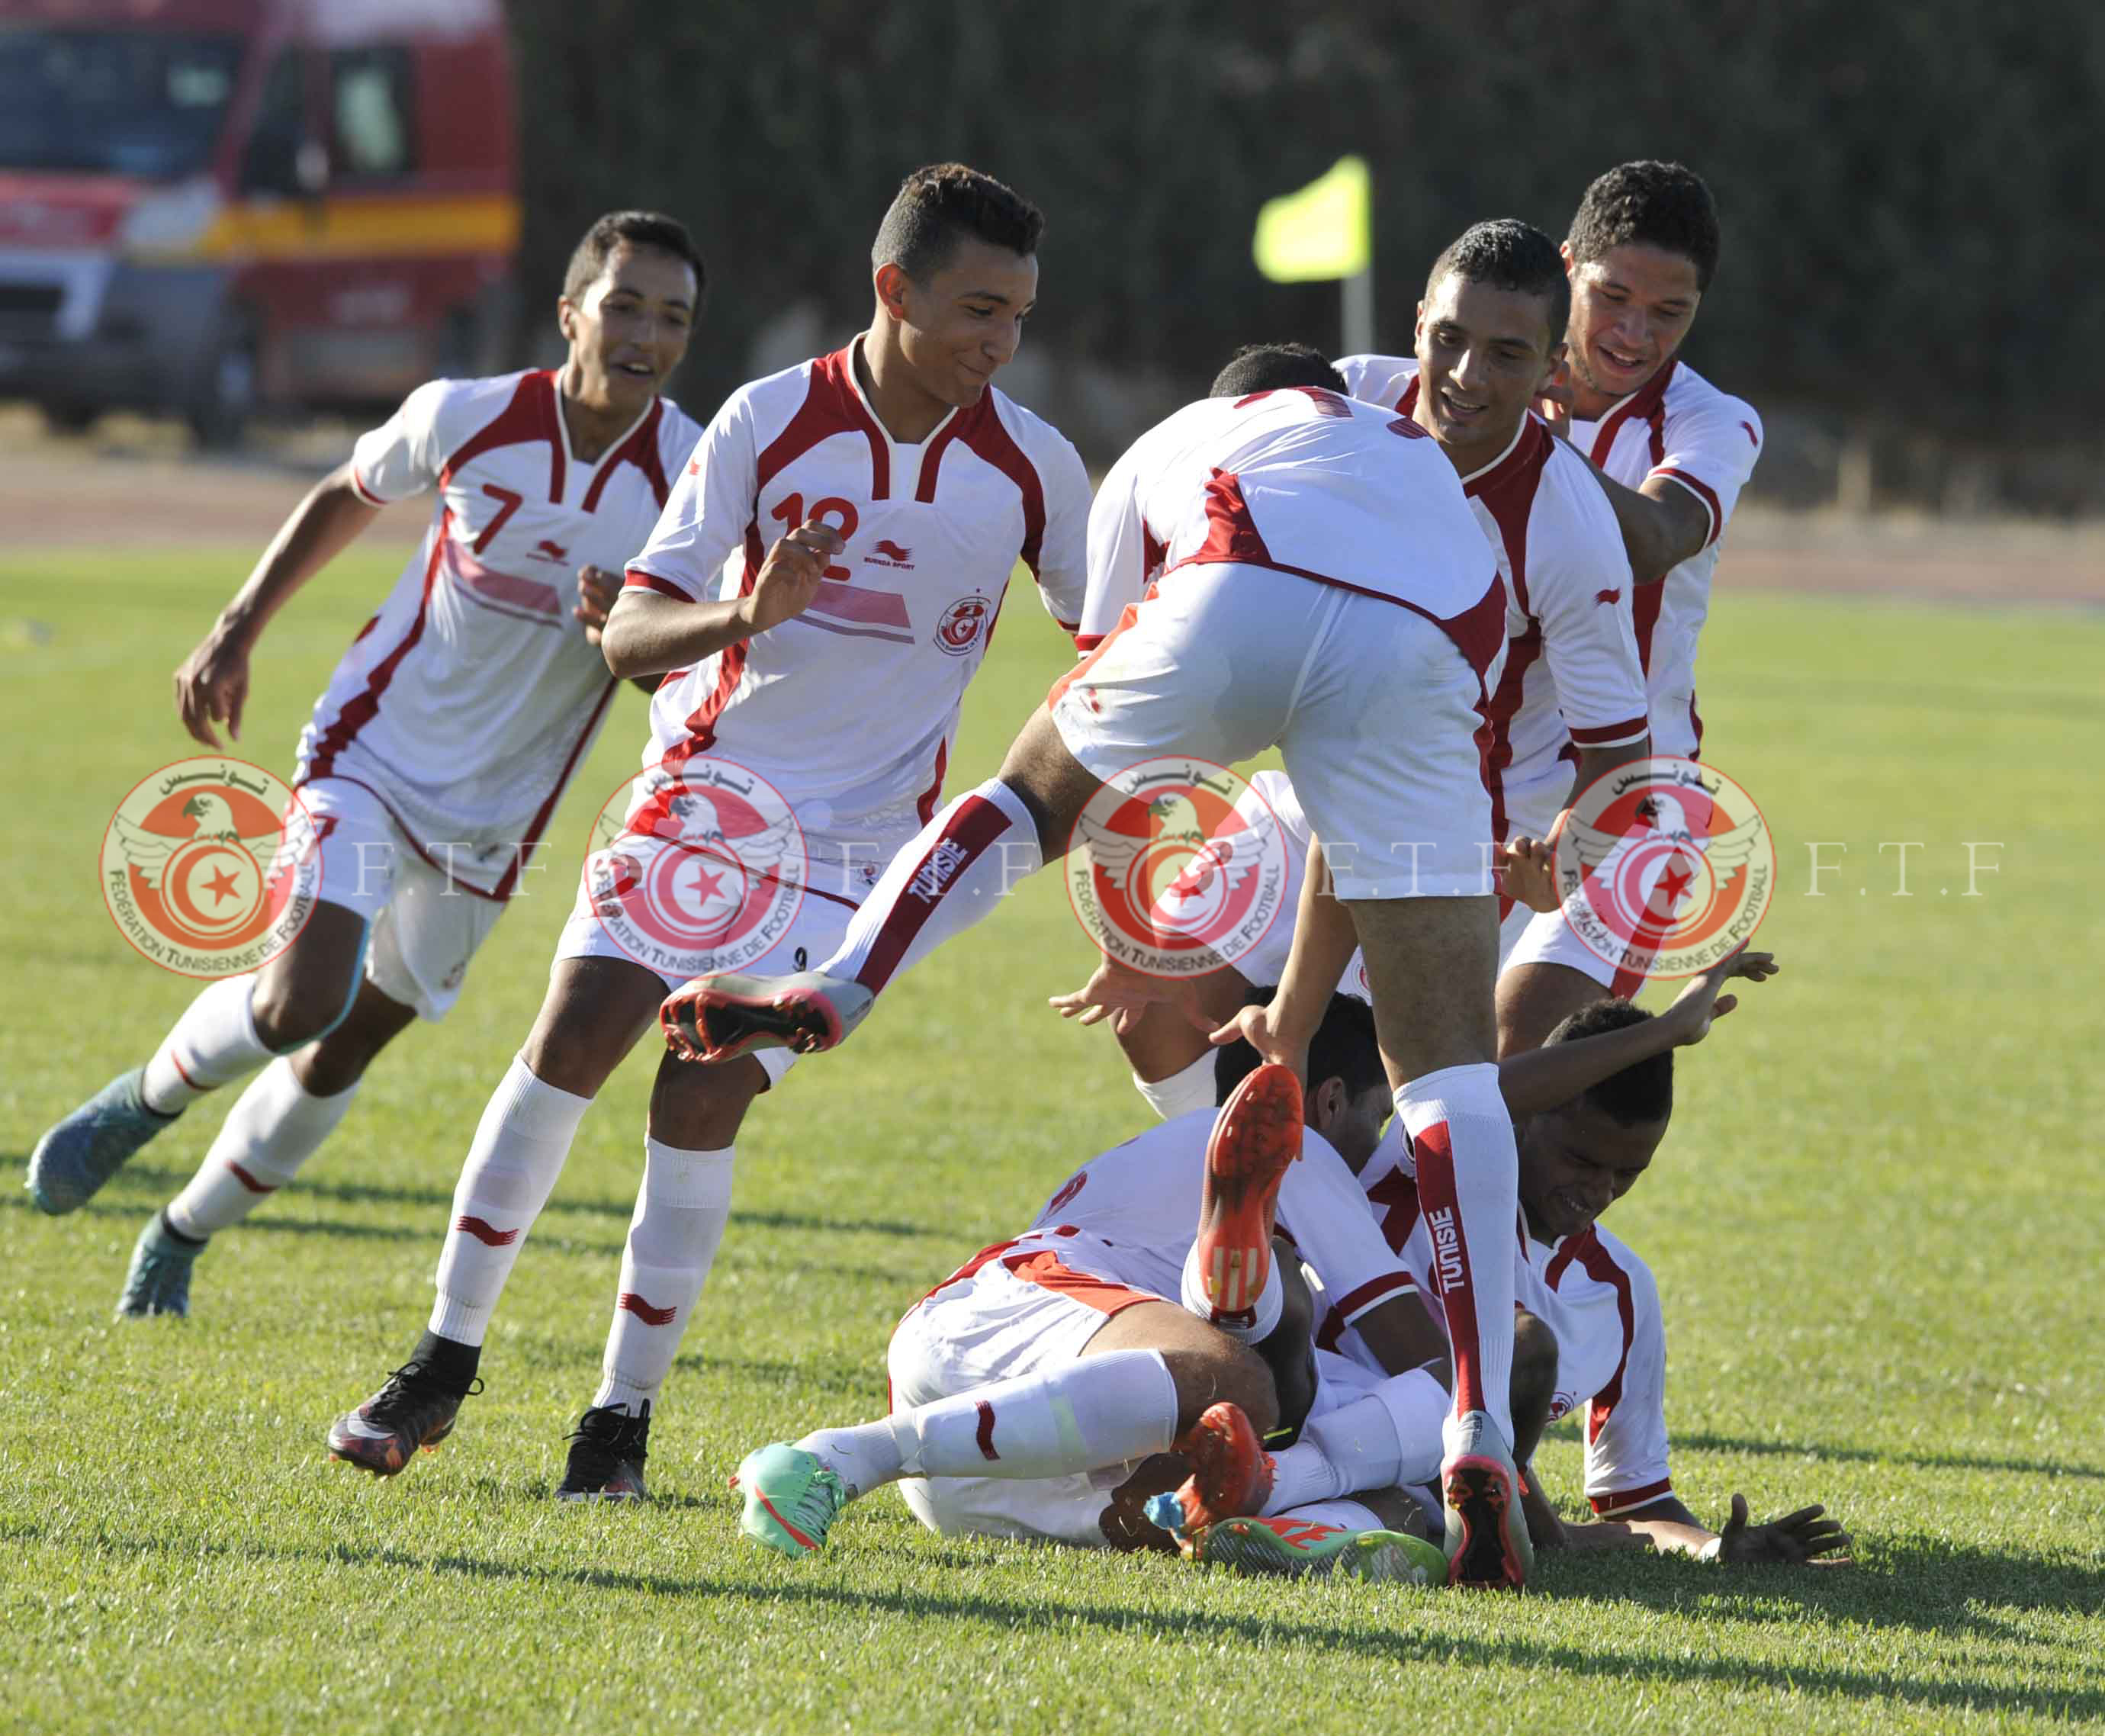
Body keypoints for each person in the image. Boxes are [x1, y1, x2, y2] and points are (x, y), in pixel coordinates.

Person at [666, 344, 1540, 1588]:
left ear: (1229, 395)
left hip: (1238, 584)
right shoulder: (1434, 479)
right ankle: (1482, 1430)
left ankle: (843, 979)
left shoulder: (1175, 443)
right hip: (1430, 638)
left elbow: (1113, 752)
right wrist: (1292, 1023)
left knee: (1025, 792)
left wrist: (1157, 933)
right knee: (1454, 1073)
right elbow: (1367, 817)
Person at [323, 163, 1093, 1503]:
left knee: (702, 1090)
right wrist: (747, 615)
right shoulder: (770, 421)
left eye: (1018, 316)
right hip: (711, 795)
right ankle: (442, 1359)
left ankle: (615, 1427)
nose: (999, 343)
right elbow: (628, 637)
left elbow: (1117, 650)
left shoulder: (1032, 466)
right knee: (570, 1041)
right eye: (977, 308)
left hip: (859, 861)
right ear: (894, 289)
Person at [26, 211, 709, 1319]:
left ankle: (180, 1230)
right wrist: (237, 627)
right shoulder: (469, 414)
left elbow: (684, 667)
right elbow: (347, 492)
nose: (645, 333)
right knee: (303, 995)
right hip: (373, 756)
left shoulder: (693, 473)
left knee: (343, 1049)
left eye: (672, 317)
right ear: (571, 313)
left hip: (498, 819)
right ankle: (137, 1106)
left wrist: (621, 640)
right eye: (625, 304)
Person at [1093, 220, 1652, 1115]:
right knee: (1147, 1003)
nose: (1467, 376)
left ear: (1554, 370)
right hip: (1313, 789)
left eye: (1508, 354)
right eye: (1450, 340)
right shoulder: (1343, 401)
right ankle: (1263, 1205)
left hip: (1459, 829)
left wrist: (1569, 858)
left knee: (1401, 1085)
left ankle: (1335, 1222)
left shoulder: (1568, 526)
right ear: (1418, 319)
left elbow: (1619, 756)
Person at [733, 1002, 1486, 1587]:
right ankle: (843, 1454)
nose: (1377, 1140)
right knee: (1272, 1387)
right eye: (1377, 1116)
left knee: (1379, 1503)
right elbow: (1441, 1373)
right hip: (1012, 1319)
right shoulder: (1305, 1148)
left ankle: (1303, 1506)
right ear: (1325, 1102)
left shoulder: (1143, 1161)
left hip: (998, 1456)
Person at [1330, 950, 1852, 1566]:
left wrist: (1714, 1549)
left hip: (1413, 1493)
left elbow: (1637, 1501)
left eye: (1628, 1173)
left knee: (1409, 1514)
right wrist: (1667, 1029)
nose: (1599, 1192)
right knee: (1522, 1348)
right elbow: (1478, 1094)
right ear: (1525, 1120)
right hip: (1319, 1417)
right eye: (1581, 1161)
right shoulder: (1431, 1168)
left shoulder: (1622, 1289)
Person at [1499, 161, 1766, 1052]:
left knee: (1499, 1068)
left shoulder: (1712, 422)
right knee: (1358, 1072)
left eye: (1669, 313)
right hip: (1469, 795)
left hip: (1630, 806)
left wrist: (1515, 439)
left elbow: (1655, 536)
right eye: (1613, 295)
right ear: (1568, 265)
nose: (1633, 331)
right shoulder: (1478, 383)